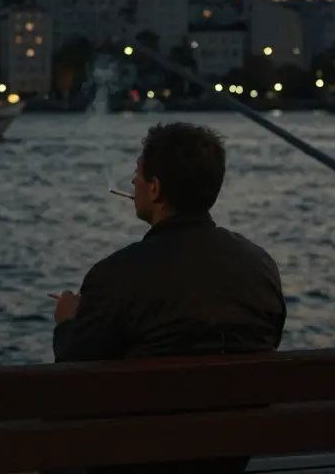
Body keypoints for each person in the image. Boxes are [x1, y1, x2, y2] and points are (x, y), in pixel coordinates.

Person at [50, 122, 286, 474]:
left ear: (156, 189)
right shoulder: (260, 267)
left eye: (138, 174)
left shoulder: (115, 276)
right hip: (228, 456)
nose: (133, 183)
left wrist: (68, 321)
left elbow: (75, 371)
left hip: (140, 460)